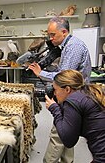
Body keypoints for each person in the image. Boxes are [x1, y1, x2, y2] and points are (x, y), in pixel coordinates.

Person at [28, 16, 92, 163]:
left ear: (64, 32)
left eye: (53, 35)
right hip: (73, 95)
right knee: (68, 132)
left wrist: (40, 73)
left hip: (72, 96)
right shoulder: (67, 46)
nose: (50, 38)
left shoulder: (73, 47)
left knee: (57, 134)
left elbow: (64, 76)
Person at [45, 69, 105, 163]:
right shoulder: (87, 93)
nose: (55, 94)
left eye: (55, 89)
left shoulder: (73, 100)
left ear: (67, 89)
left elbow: (68, 140)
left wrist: (55, 109)